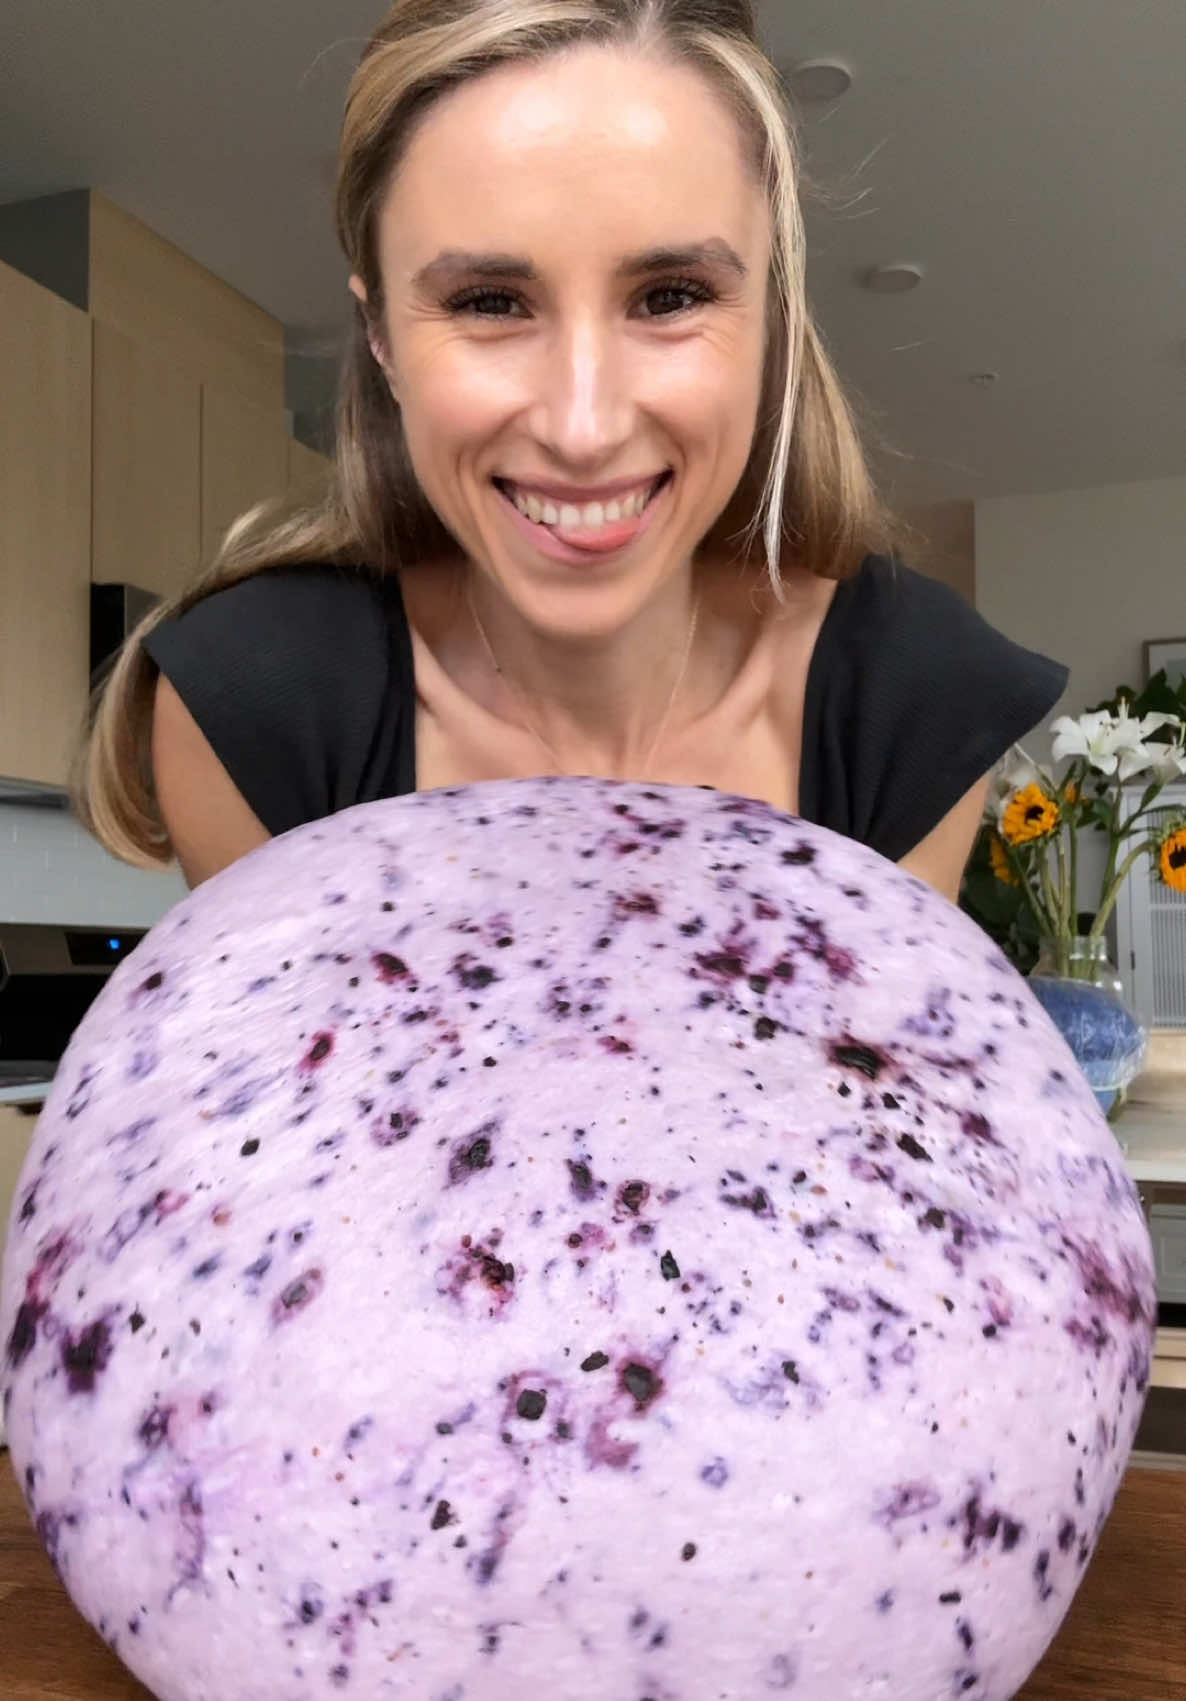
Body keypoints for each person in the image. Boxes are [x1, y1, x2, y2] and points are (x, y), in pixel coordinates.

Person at [76, 0, 1066, 902]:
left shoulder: (907, 703)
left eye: (670, 295)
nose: (582, 428)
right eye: (489, 303)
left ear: (772, 315)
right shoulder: (260, 707)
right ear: (380, 338)